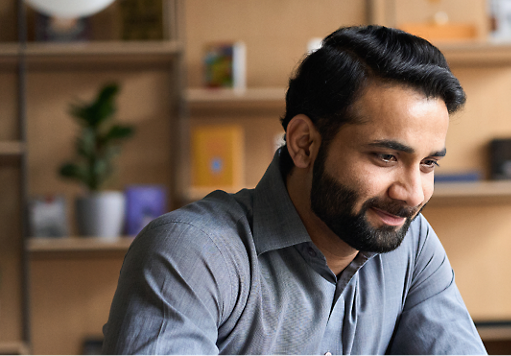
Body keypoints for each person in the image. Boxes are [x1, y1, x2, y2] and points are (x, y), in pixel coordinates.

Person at [102, 25, 488, 355]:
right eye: (386, 157)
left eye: (428, 164)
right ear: (304, 143)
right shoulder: (194, 253)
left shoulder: (412, 245)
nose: (413, 194)